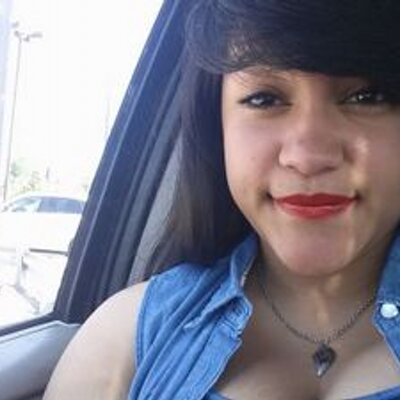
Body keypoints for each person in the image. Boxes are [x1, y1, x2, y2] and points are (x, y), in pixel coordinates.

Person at [44, 1, 400, 399]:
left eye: (367, 96)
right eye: (264, 99)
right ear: (218, 130)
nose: (307, 156)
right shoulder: (122, 341)